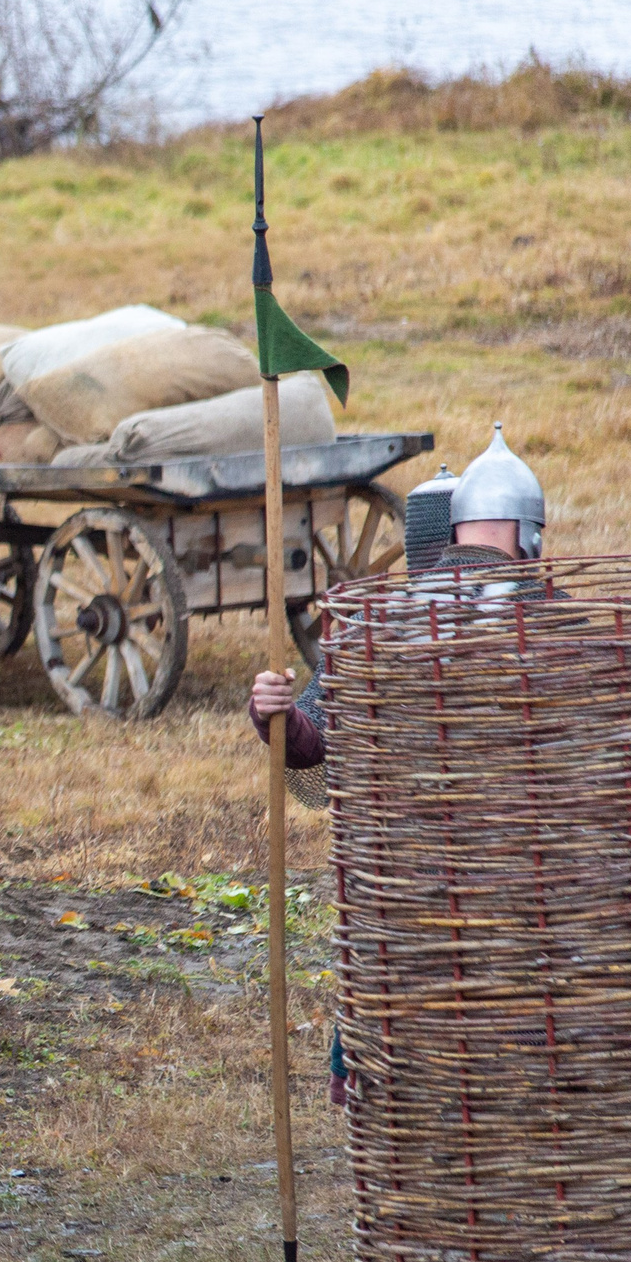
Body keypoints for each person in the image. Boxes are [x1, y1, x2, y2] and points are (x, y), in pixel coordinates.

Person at [245, 425, 546, 1104]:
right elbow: (314, 743)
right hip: (408, 870)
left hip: (518, 871)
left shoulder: (545, 624)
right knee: (387, 976)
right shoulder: (383, 634)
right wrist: (278, 714)